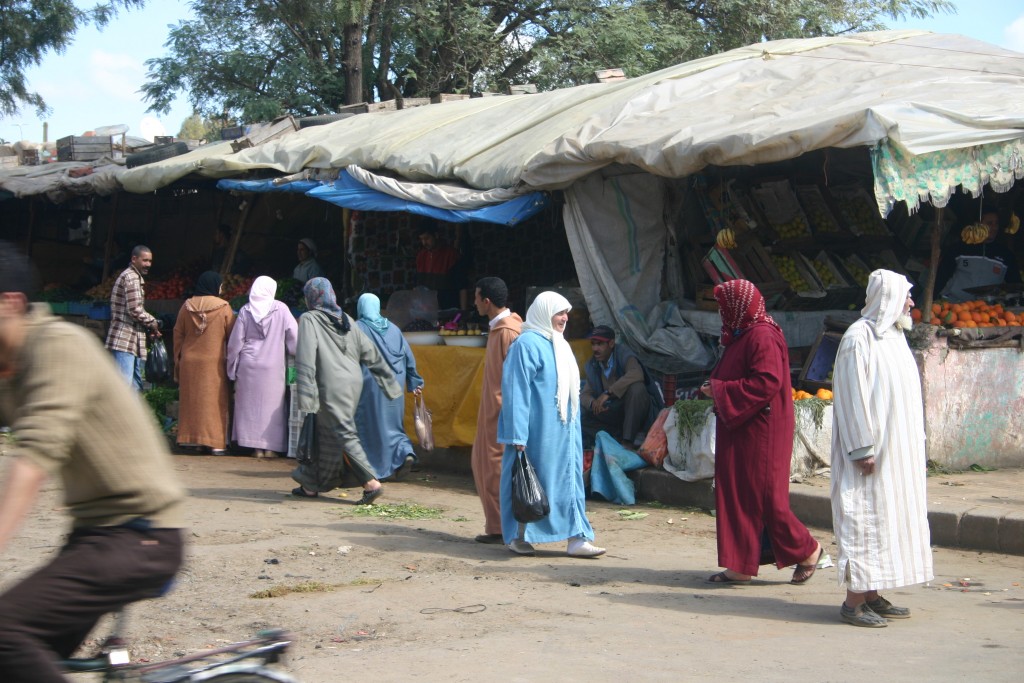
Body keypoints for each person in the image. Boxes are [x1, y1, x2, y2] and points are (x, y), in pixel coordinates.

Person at [0, 241, 185, 683]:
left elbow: (35, 457)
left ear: (10, 303)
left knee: (4, 633)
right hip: (95, 538)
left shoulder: (58, 346)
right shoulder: (11, 367)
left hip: (138, 536)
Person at [700, 279, 822, 585]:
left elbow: (766, 382)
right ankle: (740, 566)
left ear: (738, 307)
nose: (721, 313)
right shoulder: (742, 333)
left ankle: (809, 550)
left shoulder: (762, 335)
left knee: (766, 499)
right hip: (742, 427)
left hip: (762, 431)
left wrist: (720, 390)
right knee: (738, 494)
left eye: (724, 307)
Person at [830, 269, 933, 628]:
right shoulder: (858, 339)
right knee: (864, 521)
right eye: (906, 295)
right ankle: (853, 603)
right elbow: (851, 397)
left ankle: (872, 595)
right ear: (889, 299)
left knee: (887, 522)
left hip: (896, 452)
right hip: (869, 455)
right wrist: (862, 449)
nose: (911, 302)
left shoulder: (894, 338)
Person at [497, 291, 606, 558]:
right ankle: (518, 536)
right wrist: (518, 435)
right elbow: (516, 391)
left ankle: (577, 537)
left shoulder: (560, 344)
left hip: (565, 432)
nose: (565, 318)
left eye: (566, 313)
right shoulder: (526, 345)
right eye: (559, 312)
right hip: (536, 433)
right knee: (530, 483)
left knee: (570, 481)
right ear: (544, 313)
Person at [291, 278, 402, 504]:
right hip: (352, 383)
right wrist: (389, 382)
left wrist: (306, 394)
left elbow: (305, 356)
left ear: (311, 297)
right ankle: (310, 484)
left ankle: (371, 483)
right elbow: (370, 352)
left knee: (343, 432)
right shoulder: (346, 320)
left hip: (330, 385)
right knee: (322, 432)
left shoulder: (310, 319)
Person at [470, 277, 523, 544]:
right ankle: (496, 525)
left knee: (495, 469)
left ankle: (503, 527)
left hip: (501, 415)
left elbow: (518, 379)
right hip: (492, 412)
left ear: (487, 301)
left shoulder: (508, 332)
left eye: (477, 297)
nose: (474, 303)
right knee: (483, 465)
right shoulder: (499, 329)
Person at [354, 292, 424, 480]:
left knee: (372, 426)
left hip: (370, 386)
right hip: (395, 385)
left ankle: (376, 469)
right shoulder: (394, 329)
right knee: (394, 425)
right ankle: (405, 453)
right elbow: (408, 357)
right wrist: (414, 381)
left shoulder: (357, 328)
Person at [226, 275, 298, 458]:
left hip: (248, 366)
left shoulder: (245, 310)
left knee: (249, 406)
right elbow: (294, 339)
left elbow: (235, 343)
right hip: (273, 367)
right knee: (272, 407)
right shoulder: (281, 309)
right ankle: (270, 448)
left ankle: (256, 449)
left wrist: (231, 368)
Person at [173, 271, 235, 455]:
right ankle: (215, 443)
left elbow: (178, 334)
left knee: (192, 401)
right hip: (213, 363)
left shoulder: (186, 306)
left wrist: (178, 360)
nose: (221, 288)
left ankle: (194, 441)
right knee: (214, 402)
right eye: (220, 285)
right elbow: (232, 336)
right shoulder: (224, 307)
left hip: (190, 362)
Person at [580, 324, 661, 449]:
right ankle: (617, 437)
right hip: (613, 411)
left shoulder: (624, 354)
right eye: (593, 344)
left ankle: (628, 440)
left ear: (611, 343)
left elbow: (636, 373)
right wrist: (593, 403)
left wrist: (608, 393)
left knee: (637, 388)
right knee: (582, 413)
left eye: (600, 344)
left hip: (633, 409)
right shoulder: (593, 364)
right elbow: (585, 394)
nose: (595, 348)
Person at [104, 244, 161, 390]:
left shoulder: (133, 276)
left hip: (131, 339)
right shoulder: (131, 278)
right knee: (124, 386)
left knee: (135, 385)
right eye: (145, 260)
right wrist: (152, 322)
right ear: (134, 259)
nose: (148, 264)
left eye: (150, 261)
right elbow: (134, 309)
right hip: (124, 339)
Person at [936, 208, 1022, 302]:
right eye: (989, 223)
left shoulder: (1006, 255)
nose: (994, 228)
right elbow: (941, 278)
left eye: (996, 223)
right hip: (955, 305)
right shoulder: (958, 249)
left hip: (987, 308)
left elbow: (1015, 286)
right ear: (977, 225)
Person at [415, 224, 460, 309]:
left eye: (427, 238)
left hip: (448, 308)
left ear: (436, 235)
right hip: (427, 308)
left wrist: (462, 312)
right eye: (421, 239)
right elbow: (418, 285)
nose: (424, 243)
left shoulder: (451, 255)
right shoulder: (421, 256)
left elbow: (462, 286)